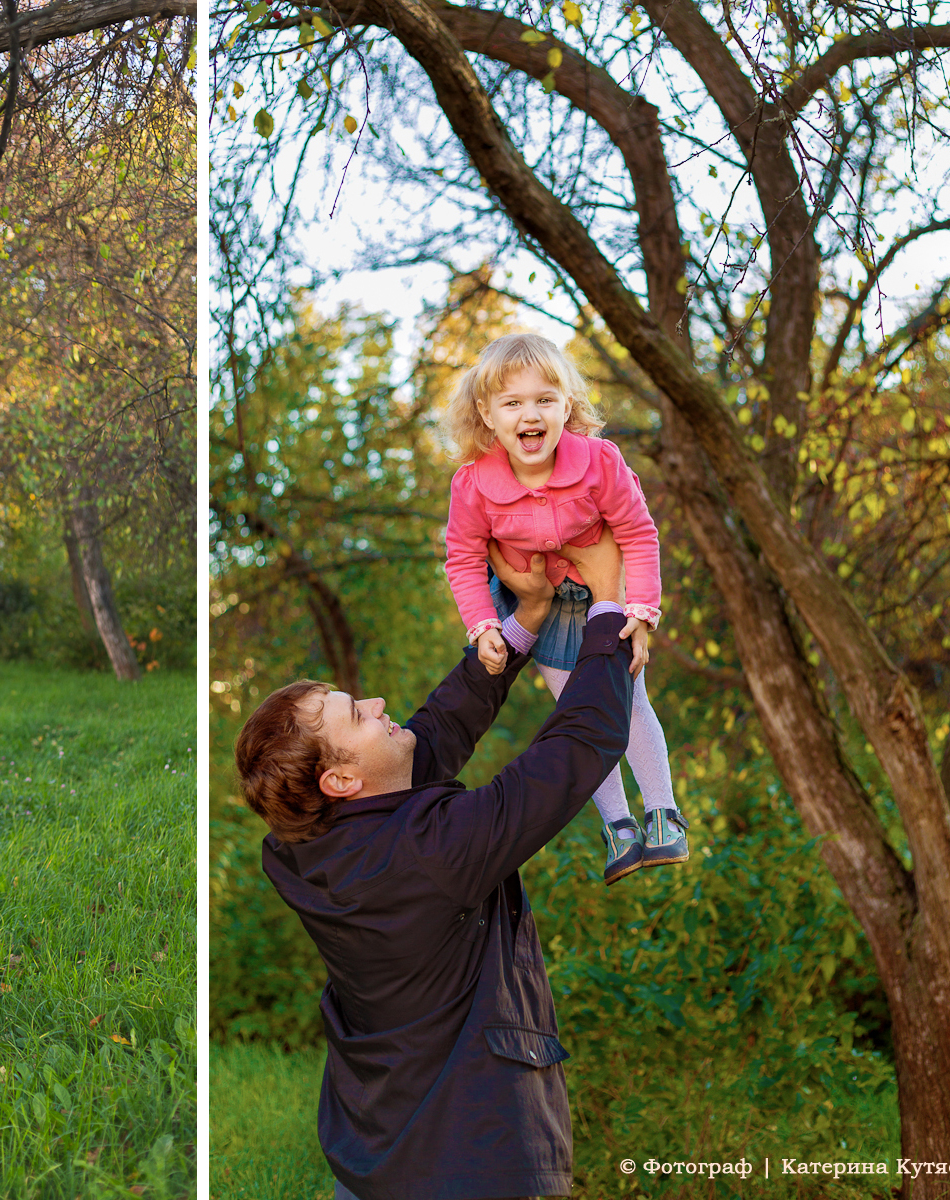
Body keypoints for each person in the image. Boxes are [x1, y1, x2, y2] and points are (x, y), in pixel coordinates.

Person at [234, 533, 634, 1200]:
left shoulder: (300, 851)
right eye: (359, 716)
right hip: (475, 1164)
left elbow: (433, 734)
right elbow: (576, 749)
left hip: (373, 1160)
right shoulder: (432, 851)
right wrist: (609, 607)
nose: (381, 706)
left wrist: (524, 619)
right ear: (338, 780)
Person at [443, 332, 685, 884]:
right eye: (513, 403)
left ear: (567, 404)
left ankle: (663, 814)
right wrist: (482, 626)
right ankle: (618, 827)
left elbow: (638, 533)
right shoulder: (474, 484)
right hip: (544, 607)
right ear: (487, 413)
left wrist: (642, 613)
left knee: (628, 702)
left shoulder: (599, 461)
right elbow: (461, 557)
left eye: (544, 399)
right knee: (577, 715)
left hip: (602, 596)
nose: (530, 414)